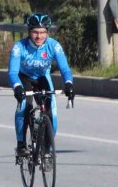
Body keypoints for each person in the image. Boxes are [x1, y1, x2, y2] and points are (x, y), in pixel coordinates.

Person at [8, 12, 75, 161]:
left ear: (48, 32)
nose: (39, 36)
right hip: (24, 77)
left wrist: (69, 84)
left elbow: (65, 69)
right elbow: (12, 72)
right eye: (35, 32)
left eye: (43, 32)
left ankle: (46, 149)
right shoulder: (19, 47)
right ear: (29, 32)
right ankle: (21, 144)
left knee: (52, 114)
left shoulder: (54, 46)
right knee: (25, 104)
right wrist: (17, 87)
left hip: (42, 77)